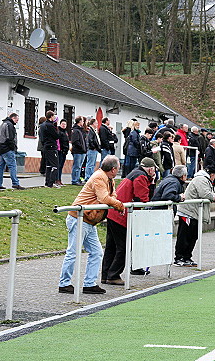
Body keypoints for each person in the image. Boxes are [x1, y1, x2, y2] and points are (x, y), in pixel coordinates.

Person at [58, 156, 125, 295]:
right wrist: (119, 205)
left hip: (89, 220)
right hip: (79, 219)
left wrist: (116, 202)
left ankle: (89, 284)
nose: (118, 171)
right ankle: (64, 284)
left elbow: (113, 195)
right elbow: (105, 198)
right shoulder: (99, 178)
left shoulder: (108, 179)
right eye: (118, 168)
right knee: (73, 252)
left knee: (96, 252)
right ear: (113, 169)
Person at [102, 157, 157, 285]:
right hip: (122, 215)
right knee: (123, 247)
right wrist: (152, 183)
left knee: (111, 247)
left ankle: (106, 275)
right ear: (150, 169)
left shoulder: (134, 173)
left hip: (113, 213)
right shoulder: (141, 177)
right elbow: (143, 198)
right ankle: (113, 275)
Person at [174, 165, 215, 266]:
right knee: (185, 236)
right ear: (212, 175)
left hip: (193, 212)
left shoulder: (202, 179)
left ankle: (187, 257)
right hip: (188, 212)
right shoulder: (201, 179)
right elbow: (205, 193)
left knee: (192, 236)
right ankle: (179, 257)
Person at [0, 113, 25, 190]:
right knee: (12, 166)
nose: (17, 122)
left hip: (1, 147)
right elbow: (10, 138)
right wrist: (13, 147)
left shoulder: (3, 124)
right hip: (7, 148)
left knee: (1, 167)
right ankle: (15, 183)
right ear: (13, 118)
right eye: (16, 120)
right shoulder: (9, 125)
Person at [70, 116, 87, 185]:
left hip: (81, 151)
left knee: (79, 166)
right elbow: (75, 141)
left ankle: (77, 179)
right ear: (79, 121)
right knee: (76, 166)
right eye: (82, 121)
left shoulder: (80, 130)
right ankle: (74, 180)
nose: (83, 122)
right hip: (78, 151)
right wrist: (82, 147)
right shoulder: (76, 130)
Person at [57, 119, 70, 186]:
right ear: (60, 124)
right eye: (63, 124)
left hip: (64, 151)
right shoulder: (59, 132)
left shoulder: (65, 132)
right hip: (60, 151)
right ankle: (57, 179)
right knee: (59, 166)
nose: (64, 125)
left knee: (61, 166)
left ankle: (59, 179)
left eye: (65, 124)